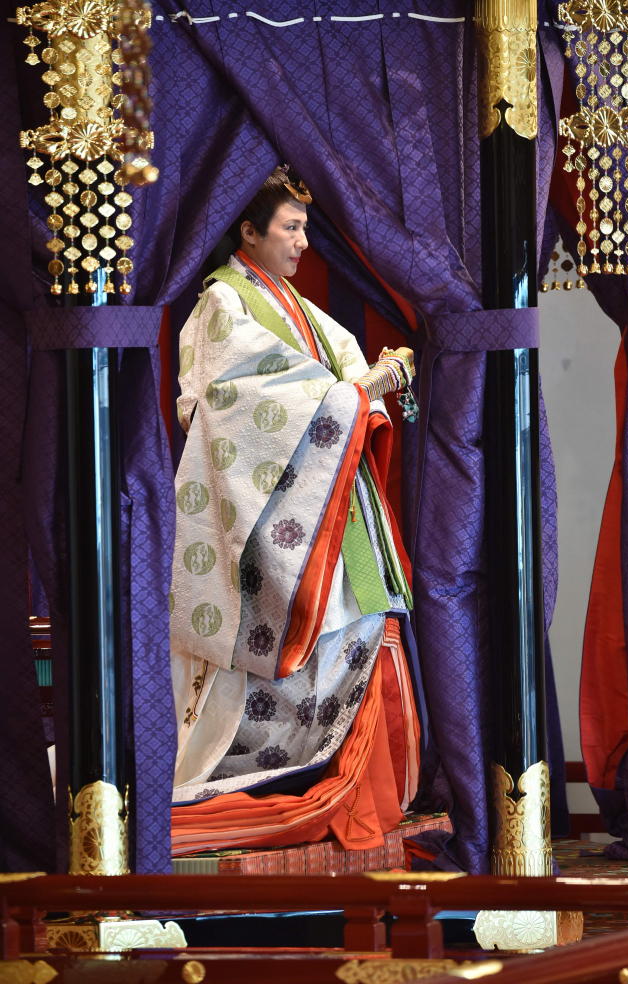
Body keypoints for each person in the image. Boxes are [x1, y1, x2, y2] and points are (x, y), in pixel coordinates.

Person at [170, 166, 421, 857]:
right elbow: (232, 399)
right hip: (273, 511)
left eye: (306, 228)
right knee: (299, 646)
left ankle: (363, 789)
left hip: (331, 498)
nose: (304, 242)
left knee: (364, 623)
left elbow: (341, 372)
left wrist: (367, 383)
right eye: (292, 227)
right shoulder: (223, 302)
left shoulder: (295, 304)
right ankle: (281, 779)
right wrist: (361, 392)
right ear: (248, 232)